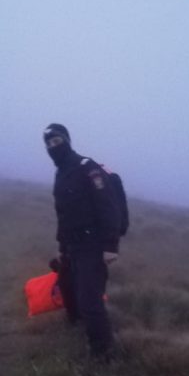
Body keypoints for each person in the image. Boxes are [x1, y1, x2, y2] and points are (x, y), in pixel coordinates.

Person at [43, 123, 121, 361]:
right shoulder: (61, 173)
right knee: (69, 291)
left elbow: (107, 206)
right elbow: (63, 214)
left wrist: (110, 246)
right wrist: (62, 247)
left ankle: (104, 355)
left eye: (57, 141)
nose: (53, 147)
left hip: (92, 244)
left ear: (67, 140)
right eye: (48, 144)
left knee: (89, 301)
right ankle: (78, 332)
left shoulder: (87, 167)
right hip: (71, 246)